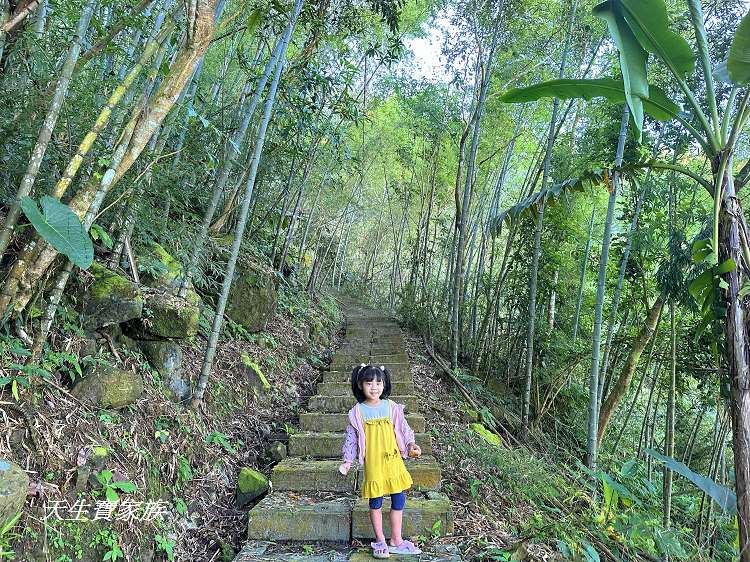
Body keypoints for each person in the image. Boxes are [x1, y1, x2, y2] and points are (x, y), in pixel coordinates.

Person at [339, 364, 422, 558]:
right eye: (369, 383)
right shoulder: (357, 412)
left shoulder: (391, 407)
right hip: (374, 463)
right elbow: (351, 439)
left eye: (378, 382)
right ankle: (380, 540)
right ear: (360, 385)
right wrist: (347, 461)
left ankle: (396, 539)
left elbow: (404, 428)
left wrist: (411, 444)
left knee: (398, 497)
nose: (374, 387)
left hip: (393, 460)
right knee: (376, 500)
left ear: (384, 384)